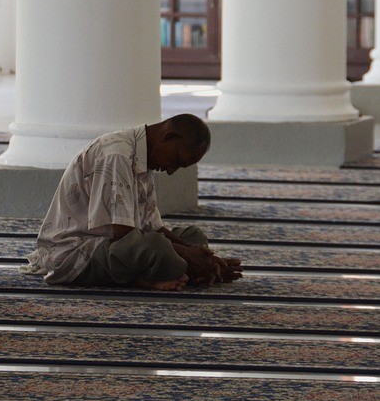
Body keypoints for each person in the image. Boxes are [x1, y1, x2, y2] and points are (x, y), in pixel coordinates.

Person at [20, 114, 243, 291]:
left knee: (194, 237)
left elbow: (153, 227)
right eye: (175, 161)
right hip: (77, 253)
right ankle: (153, 278)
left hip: (117, 246)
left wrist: (198, 254)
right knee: (157, 248)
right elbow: (122, 234)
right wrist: (190, 256)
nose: (171, 170)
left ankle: (180, 271)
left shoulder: (143, 157)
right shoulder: (117, 155)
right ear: (169, 136)